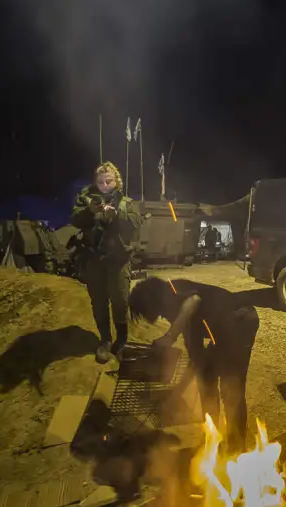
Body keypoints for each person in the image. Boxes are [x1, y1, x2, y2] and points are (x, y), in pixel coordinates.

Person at [130, 277, 260, 452]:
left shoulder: (174, 289)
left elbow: (194, 301)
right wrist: (178, 390)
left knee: (231, 391)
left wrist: (169, 337)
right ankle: (212, 439)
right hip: (220, 334)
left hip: (241, 321)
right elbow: (196, 358)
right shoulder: (178, 314)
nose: (160, 316)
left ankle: (237, 448)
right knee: (205, 382)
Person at [71, 162, 143, 363]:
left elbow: (136, 224)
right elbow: (75, 220)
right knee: (99, 302)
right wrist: (90, 212)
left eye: (108, 181)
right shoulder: (87, 200)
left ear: (117, 181)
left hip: (118, 260)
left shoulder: (127, 202)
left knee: (120, 300)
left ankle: (121, 340)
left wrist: (117, 216)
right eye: (100, 182)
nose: (104, 185)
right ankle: (105, 340)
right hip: (94, 259)